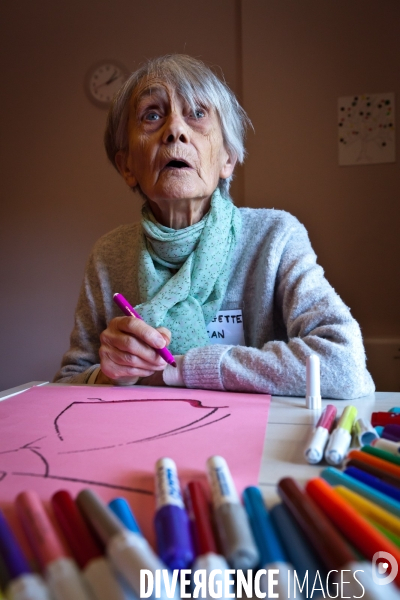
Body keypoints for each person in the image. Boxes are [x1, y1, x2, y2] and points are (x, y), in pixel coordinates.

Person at [54, 54, 374, 399]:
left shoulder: (276, 236)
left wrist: (176, 371)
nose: (175, 130)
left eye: (197, 114)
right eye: (152, 115)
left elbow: (345, 365)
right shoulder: (108, 255)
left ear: (227, 158)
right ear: (127, 165)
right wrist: (110, 373)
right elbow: (66, 382)